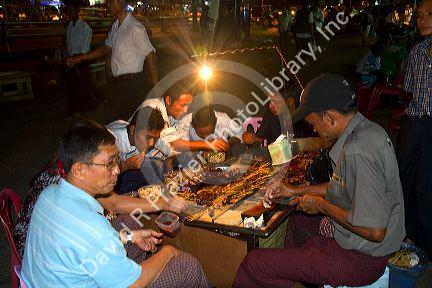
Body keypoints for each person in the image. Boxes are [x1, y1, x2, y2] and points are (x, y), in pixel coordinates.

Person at [234, 73, 405, 287]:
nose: (314, 129)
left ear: (330, 118)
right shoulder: (366, 129)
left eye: (313, 123)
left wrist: (322, 206)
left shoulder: (358, 150)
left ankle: (303, 265)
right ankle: (295, 270)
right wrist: (294, 190)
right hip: (360, 249)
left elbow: (374, 230)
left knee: (255, 264)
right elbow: (343, 185)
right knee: (297, 223)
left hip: (359, 259)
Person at [20, 124, 210, 287]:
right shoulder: (93, 229)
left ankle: (125, 264)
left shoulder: (49, 194)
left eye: (116, 161)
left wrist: (128, 236)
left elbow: (80, 245)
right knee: (186, 266)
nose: (118, 170)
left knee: (130, 227)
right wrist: (169, 252)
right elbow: (132, 284)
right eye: (109, 164)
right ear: (79, 169)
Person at [67, 0, 158, 121]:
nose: (107, 5)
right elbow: (106, 47)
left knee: (115, 122)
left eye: (110, 2)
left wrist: (156, 86)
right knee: (127, 123)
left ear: (120, 2)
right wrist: (81, 58)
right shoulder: (116, 26)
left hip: (132, 84)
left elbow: (150, 54)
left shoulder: (134, 27)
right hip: (120, 84)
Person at [398, 0, 432, 259]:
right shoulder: (416, 52)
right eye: (420, 15)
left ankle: (426, 240)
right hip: (413, 124)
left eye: (430, 15)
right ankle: (409, 234)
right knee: (405, 179)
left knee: (426, 185)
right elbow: (408, 89)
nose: (423, 20)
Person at [106, 106, 166, 191]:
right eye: (148, 137)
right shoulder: (111, 142)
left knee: (157, 164)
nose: (151, 143)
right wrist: (126, 165)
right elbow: (102, 175)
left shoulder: (137, 136)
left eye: (155, 138)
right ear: (133, 130)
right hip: (106, 183)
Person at [132, 83, 193, 159]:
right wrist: (206, 145)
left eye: (188, 105)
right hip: (136, 158)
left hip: (154, 157)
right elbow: (171, 145)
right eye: (182, 105)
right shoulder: (153, 108)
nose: (185, 110)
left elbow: (181, 137)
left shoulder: (172, 113)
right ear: (168, 100)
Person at [63, 0, 96, 117]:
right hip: (72, 59)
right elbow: (68, 45)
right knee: (73, 85)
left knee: (81, 85)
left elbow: (85, 47)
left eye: (71, 10)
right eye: (68, 10)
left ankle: (79, 108)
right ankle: (74, 109)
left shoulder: (85, 27)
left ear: (77, 12)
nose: (69, 13)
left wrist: (78, 59)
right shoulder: (69, 27)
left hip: (81, 59)